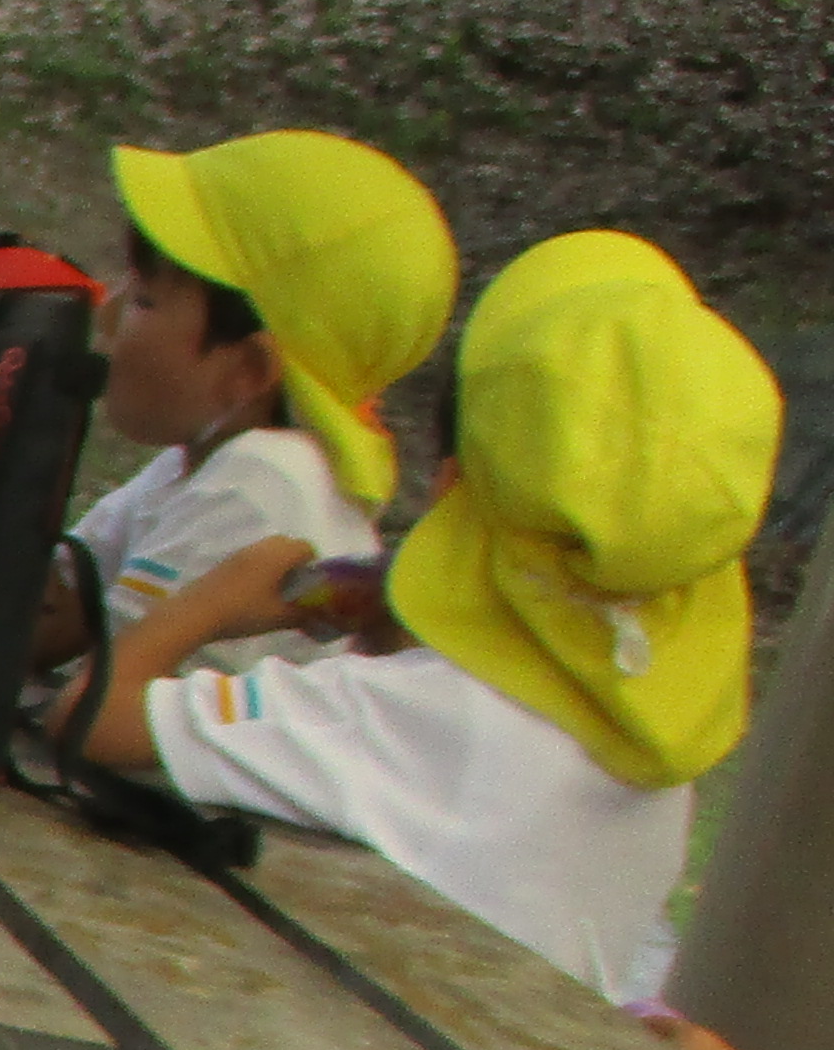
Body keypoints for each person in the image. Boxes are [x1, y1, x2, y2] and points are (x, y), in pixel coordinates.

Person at [63, 231, 774, 1003]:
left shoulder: (415, 714)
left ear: (451, 488)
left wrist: (218, 600)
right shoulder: (656, 772)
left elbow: (91, 716)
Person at [26, 129, 455, 685]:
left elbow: (85, 698)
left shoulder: (261, 480)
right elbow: (46, 616)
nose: (107, 312)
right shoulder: (201, 462)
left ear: (248, 370)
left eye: (146, 299)